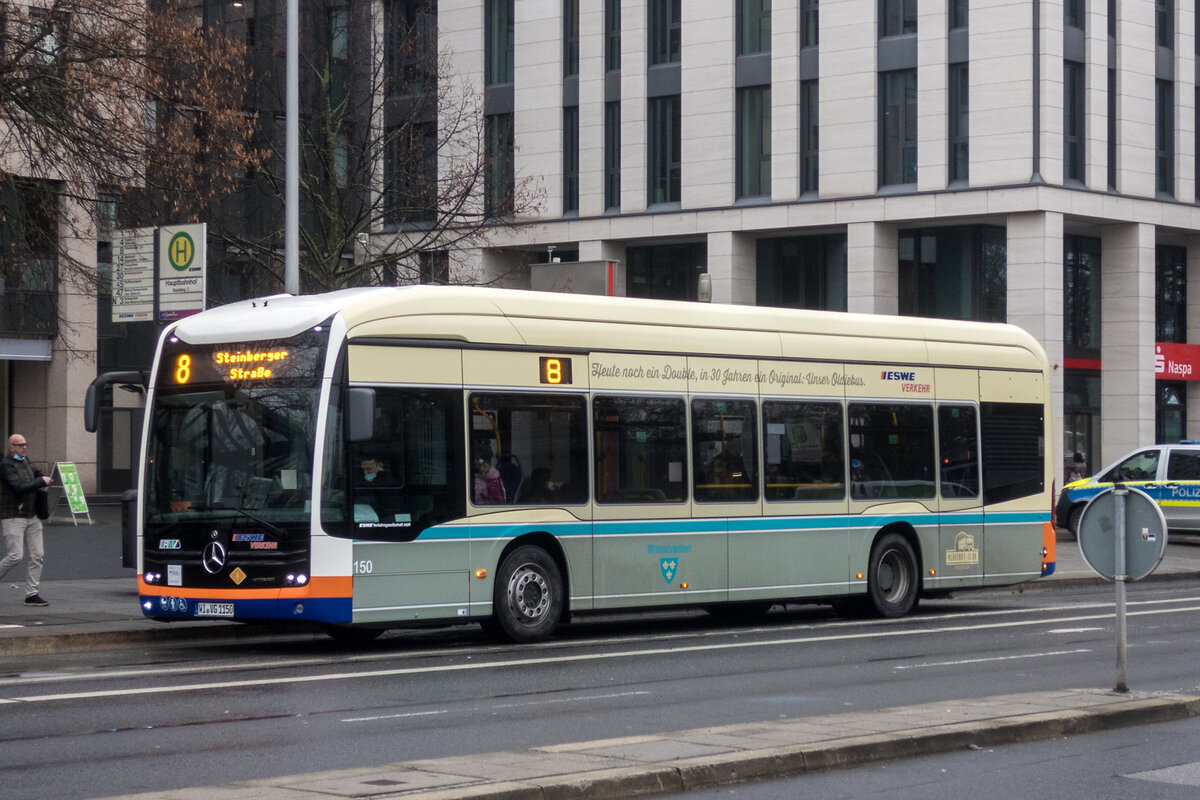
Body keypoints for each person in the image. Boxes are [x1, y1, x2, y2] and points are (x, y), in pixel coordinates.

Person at [0, 434, 53, 607]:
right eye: (20, 445)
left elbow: (36, 473)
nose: (24, 447)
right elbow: (18, 487)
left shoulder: (25, 461)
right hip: (13, 516)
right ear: (11, 447)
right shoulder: (6, 465)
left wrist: (41, 476)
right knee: (16, 555)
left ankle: (32, 594)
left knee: (38, 555)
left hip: (32, 515)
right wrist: (40, 481)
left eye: (25, 444)